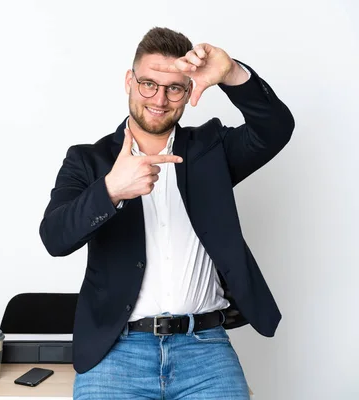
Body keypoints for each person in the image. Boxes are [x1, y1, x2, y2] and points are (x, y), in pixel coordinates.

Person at [39, 26, 294, 399]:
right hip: (116, 352)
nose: (159, 99)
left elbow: (276, 128)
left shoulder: (211, 149)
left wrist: (233, 73)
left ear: (188, 91)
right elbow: (54, 237)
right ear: (129, 81)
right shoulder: (88, 161)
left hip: (204, 348)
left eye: (174, 87)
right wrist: (111, 190)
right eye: (148, 84)